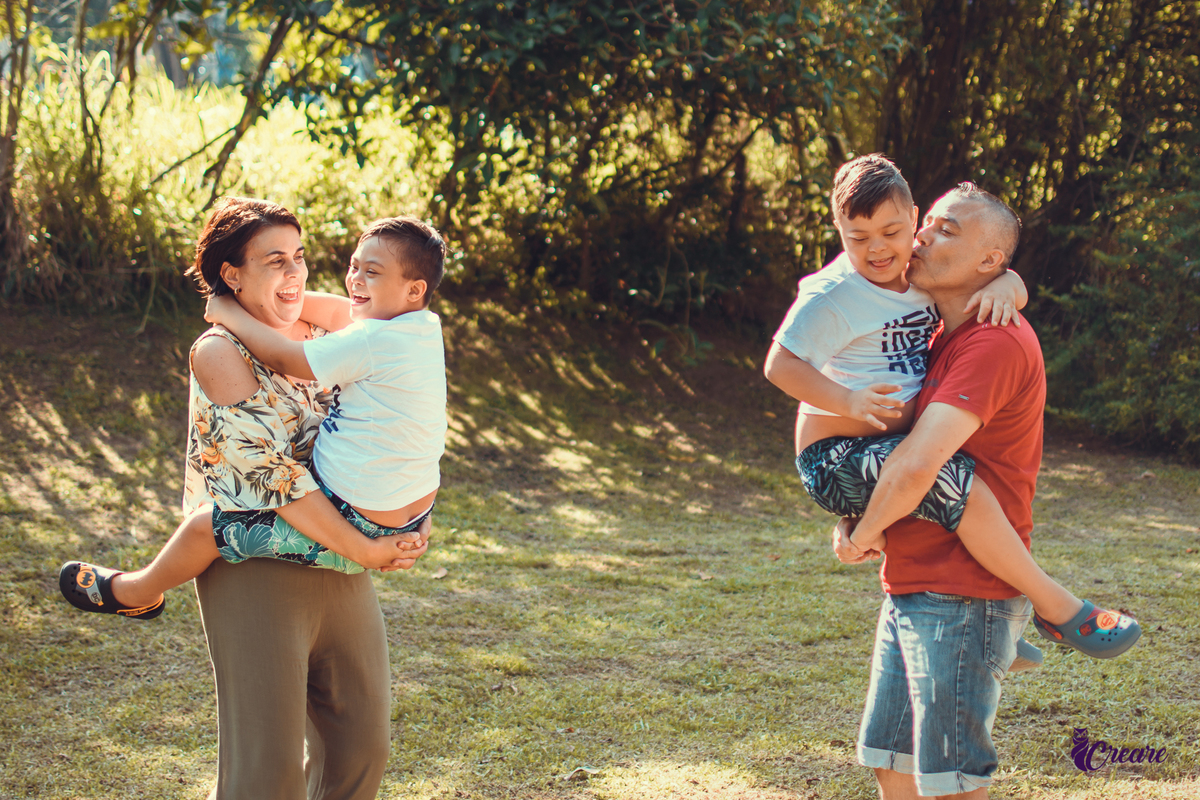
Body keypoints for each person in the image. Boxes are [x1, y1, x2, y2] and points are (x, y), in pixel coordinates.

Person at [62, 198, 427, 799]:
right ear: (233, 273)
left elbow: (386, 335)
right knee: (267, 773)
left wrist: (407, 518)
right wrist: (364, 548)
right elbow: (274, 480)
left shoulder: (321, 334)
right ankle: (132, 590)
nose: (295, 273)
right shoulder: (219, 352)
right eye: (274, 261)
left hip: (336, 558)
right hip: (255, 564)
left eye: (300, 258)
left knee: (360, 752)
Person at [763, 155, 1139, 661]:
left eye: (896, 232)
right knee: (956, 480)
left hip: (880, 447)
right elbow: (778, 365)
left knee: (943, 478)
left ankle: (998, 625)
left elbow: (986, 266)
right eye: (859, 238)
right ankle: (1060, 609)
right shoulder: (836, 293)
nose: (879, 248)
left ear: (913, 224)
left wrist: (1010, 284)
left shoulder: (912, 276)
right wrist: (846, 400)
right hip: (835, 455)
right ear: (838, 230)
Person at [833, 183, 1128, 798]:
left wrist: (863, 534)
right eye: (928, 224)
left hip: (963, 594)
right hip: (916, 580)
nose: (922, 236)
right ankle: (1047, 610)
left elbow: (919, 464)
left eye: (946, 229)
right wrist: (858, 511)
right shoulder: (939, 332)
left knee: (951, 781)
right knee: (894, 762)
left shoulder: (993, 342)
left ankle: (1054, 608)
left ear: (990, 261)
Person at [59, 215, 447, 612]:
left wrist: (232, 312)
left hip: (358, 520)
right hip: (412, 510)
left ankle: (136, 592)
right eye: (354, 266)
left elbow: (285, 357)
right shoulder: (421, 327)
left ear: (413, 289)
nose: (355, 280)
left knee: (202, 528)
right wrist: (273, 297)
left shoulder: (369, 339)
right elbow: (338, 313)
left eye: (372, 272)